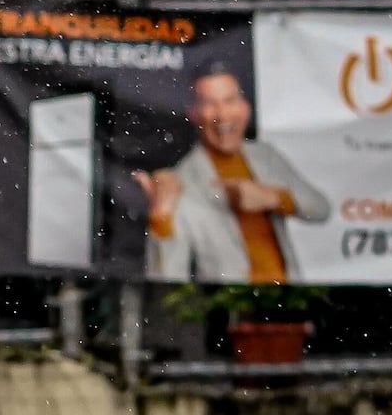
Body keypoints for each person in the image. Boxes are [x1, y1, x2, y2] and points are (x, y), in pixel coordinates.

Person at [141, 66, 331, 282]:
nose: (222, 115)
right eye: (210, 104)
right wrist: (161, 218)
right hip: (232, 308)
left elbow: (321, 208)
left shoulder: (266, 156)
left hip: (289, 303)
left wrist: (273, 198)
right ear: (193, 114)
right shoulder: (181, 181)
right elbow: (167, 277)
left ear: (245, 108)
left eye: (229, 101)